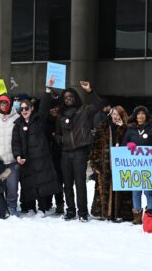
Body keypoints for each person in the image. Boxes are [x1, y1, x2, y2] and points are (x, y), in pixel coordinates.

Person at [11, 85, 62, 215]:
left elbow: (44, 107)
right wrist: (17, 156)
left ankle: (43, 208)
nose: (24, 111)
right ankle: (30, 208)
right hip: (26, 159)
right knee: (29, 184)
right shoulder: (17, 124)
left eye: (27, 108)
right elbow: (15, 142)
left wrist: (47, 91)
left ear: (32, 108)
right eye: (22, 109)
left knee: (42, 183)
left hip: (41, 158)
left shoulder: (39, 120)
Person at [55, 80, 102, 222]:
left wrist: (89, 91)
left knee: (80, 183)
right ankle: (70, 210)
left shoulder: (84, 110)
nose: (69, 99)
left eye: (71, 96)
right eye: (66, 97)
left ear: (75, 97)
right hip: (65, 153)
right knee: (67, 184)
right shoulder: (60, 115)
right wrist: (61, 140)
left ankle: (82, 212)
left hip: (79, 153)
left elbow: (100, 105)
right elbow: (57, 133)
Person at [90, 106, 133, 222]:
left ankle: (119, 213)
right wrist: (95, 163)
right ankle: (104, 213)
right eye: (113, 114)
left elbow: (130, 144)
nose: (115, 117)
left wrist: (122, 128)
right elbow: (95, 146)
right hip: (105, 163)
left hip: (122, 163)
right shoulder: (103, 126)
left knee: (121, 190)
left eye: (118, 114)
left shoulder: (127, 128)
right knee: (104, 188)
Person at [0, 93, 20, 216]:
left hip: (12, 159)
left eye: (6, 103)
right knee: (0, 186)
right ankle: (1, 207)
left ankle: (12, 207)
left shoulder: (17, 117)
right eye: (1, 103)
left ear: (10, 103)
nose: (4, 105)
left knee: (12, 186)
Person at [122, 106, 152, 224]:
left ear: (146, 116)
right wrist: (129, 144)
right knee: (136, 190)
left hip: (149, 165)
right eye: (138, 114)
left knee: (149, 190)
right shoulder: (130, 130)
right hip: (135, 166)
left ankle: (150, 215)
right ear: (135, 116)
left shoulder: (151, 129)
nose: (140, 116)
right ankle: (137, 217)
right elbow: (124, 145)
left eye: (143, 114)